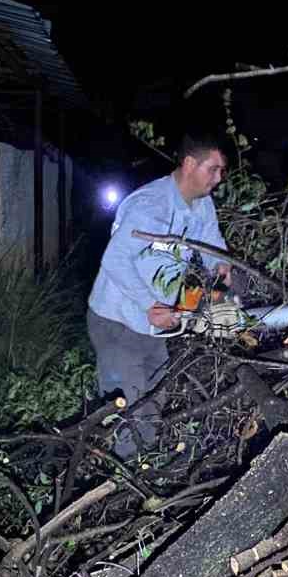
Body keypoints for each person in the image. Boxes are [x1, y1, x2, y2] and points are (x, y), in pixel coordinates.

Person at [87, 133, 233, 459]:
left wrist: (222, 268)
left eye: (222, 171)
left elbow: (211, 243)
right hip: (117, 320)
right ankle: (117, 482)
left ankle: (146, 466)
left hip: (154, 323)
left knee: (155, 398)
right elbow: (115, 260)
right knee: (129, 405)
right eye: (213, 169)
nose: (219, 177)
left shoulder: (200, 204)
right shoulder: (150, 205)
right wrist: (149, 305)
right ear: (190, 163)